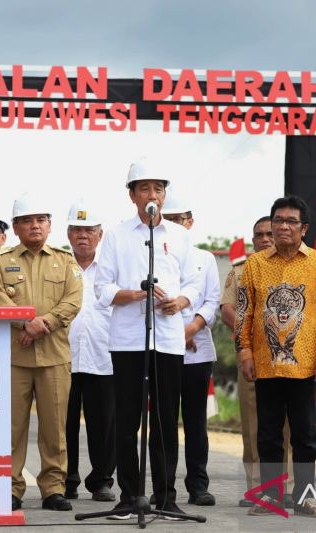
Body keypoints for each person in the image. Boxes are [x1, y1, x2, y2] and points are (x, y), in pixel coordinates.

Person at [94, 158, 201, 519]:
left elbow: (194, 284)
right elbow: (101, 287)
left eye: (158, 188)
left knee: (166, 420)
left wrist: (180, 301)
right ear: (132, 196)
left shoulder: (181, 237)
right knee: (126, 421)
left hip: (168, 341)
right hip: (127, 341)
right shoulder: (116, 236)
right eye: (144, 188)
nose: (152, 194)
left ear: (165, 195)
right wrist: (134, 295)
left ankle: (166, 496)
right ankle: (129, 495)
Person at [236, 196, 316, 518]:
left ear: (304, 228)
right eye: (278, 220)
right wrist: (244, 353)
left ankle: (304, 498)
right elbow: (244, 312)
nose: (283, 226)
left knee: (305, 436)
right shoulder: (255, 264)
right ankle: (270, 496)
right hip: (265, 364)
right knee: (267, 435)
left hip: (306, 365)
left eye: (290, 221)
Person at [0, 193, 83, 512]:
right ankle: (10, 487)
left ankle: (53, 488)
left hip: (55, 357)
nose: (35, 226)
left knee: (55, 428)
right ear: (15, 227)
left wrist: (44, 324)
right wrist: (27, 322)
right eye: (27, 220)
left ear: (50, 225)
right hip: (15, 358)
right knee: (12, 427)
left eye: (41, 220)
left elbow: (73, 300)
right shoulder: (0, 262)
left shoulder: (66, 261)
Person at [221, 216, 294, 508]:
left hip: (288, 359)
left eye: (268, 233)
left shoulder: (295, 269)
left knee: (286, 425)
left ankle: (284, 488)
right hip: (251, 356)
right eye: (258, 235)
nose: (264, 239)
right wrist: (256, 331)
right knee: (253, 425)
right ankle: (257, 488)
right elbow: (227, 310)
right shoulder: (240, 272)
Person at [160, 193, 220, 507]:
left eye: (178, 219)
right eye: (167, 219)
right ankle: (163, 489)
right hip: (162, 350)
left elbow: (211, 300)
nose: (173, 224)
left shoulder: (205, 258)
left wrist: (190, 329)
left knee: (196, 421)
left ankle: (198, 485)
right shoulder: (152, 255)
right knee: (164, 421)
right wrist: (174, 334)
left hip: (197, 352)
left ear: (190, 222)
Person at [62, 199, 116, 503]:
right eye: (77, 230)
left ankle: (102, 481)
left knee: (104, 425)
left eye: (89, 230)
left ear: (100, 234)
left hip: (103, 355)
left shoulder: (112, 266)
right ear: (68, 233)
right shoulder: (58, 264)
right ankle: (66, 478)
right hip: (62, 356)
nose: (83, 236)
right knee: (62, 424)